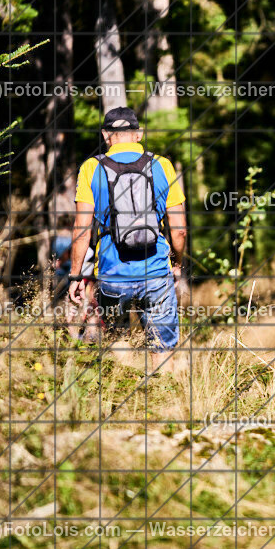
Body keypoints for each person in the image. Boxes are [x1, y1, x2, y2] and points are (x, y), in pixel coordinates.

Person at [68, 107, 187, 371]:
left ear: (106, 135)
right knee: (162, 347)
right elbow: (179, 230)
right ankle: (164, 402)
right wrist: (176, 264)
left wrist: (76, 276)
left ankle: (122, 398)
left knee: (118, 341)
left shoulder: (91, 168)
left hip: (112, 273)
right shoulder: (162, 165)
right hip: (156, 270)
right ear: (138, 134)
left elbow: (81, 228)